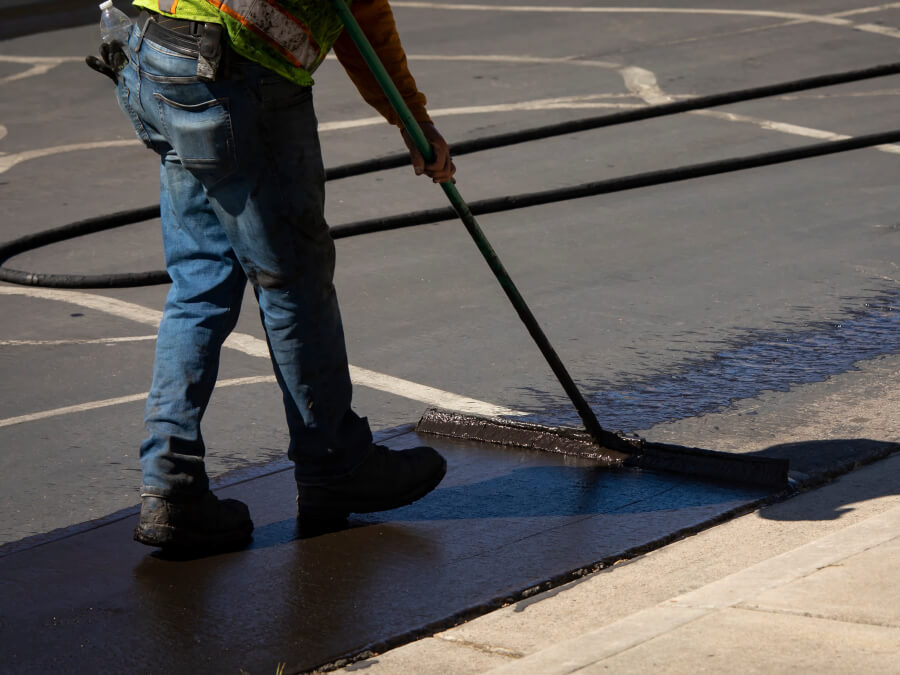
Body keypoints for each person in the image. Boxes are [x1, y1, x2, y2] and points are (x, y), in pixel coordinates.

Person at [89, 0, 456, 551]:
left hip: (156, 52)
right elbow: (364, 20)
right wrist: (413, 119)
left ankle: (171, 488)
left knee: (200, 283)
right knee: (293, 283)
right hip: (238, 76)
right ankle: (335, 463)